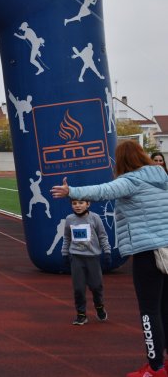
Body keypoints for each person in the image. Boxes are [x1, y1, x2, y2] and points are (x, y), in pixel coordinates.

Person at [51, 141, 168, 377]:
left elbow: (103, 191)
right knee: (166, 308)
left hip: (148, 253)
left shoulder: (132, 180)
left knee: (150, 311)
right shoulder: (163, 180)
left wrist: (72, 192)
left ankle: (155, 368)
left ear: (122, 161)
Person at [61, 199, 111, 326]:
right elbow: (67, 237)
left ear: (88, 204)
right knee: (78, 288)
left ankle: (99, 306)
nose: (77, 206)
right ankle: (81, 315)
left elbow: (102, 236)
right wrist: (65, 253)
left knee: (96, 286)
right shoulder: (69, 219)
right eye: (74, 203)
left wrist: (107, 252)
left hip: (92, 258)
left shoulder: (95, 218)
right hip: (76, 258)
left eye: (81, 203)